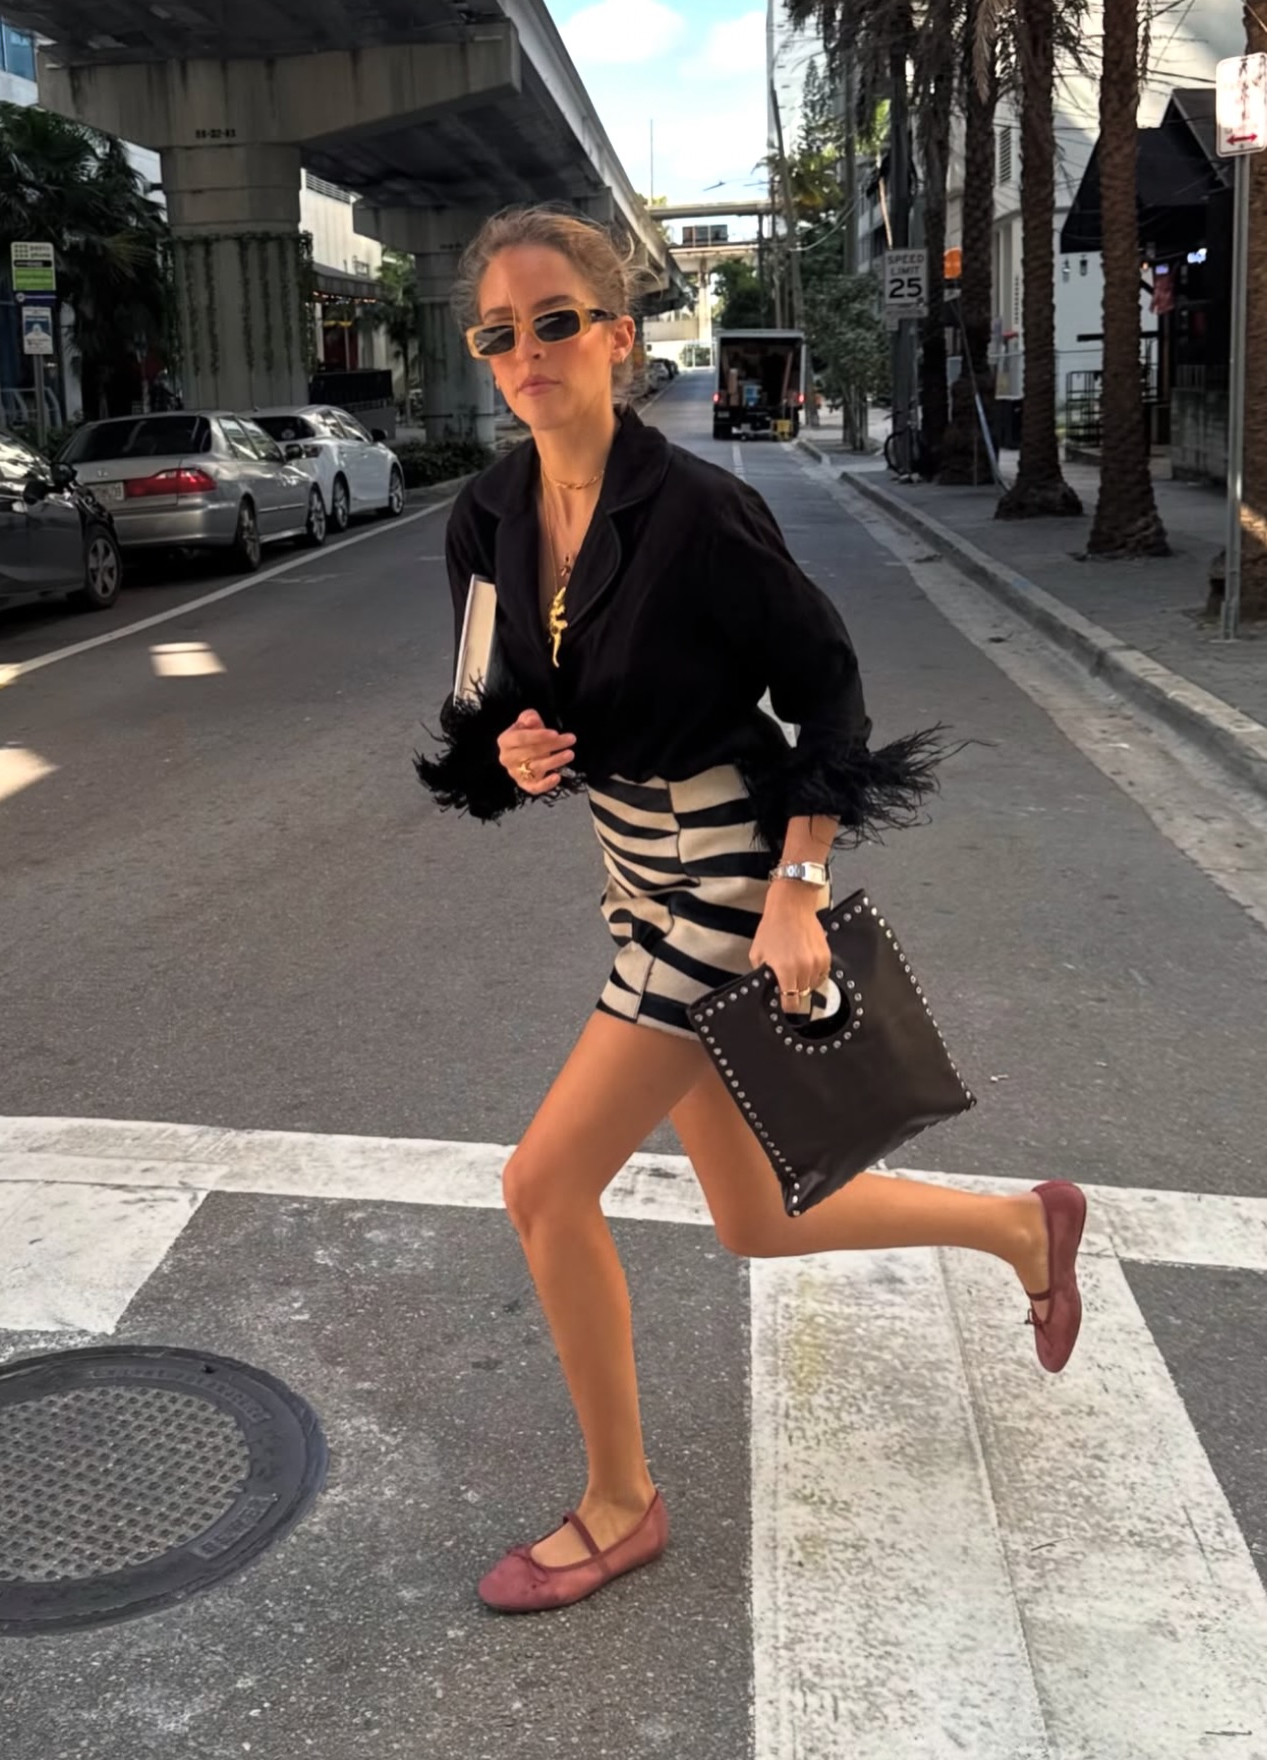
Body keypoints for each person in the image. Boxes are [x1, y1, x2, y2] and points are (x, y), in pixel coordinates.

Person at [415, 205, 1087, 1616]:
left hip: (726, 866)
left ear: (616, 335)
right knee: (757, 1222)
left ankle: (620, 1504)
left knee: (544, 1186)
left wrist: (797, 890)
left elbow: (830, 692)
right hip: (629, 867)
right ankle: (1025, 1232)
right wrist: (512, 748)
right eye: (499, 332)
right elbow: (483, 706)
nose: (528, 353)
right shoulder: (487, 517)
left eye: (556, 322)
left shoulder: (700, 514)